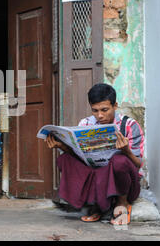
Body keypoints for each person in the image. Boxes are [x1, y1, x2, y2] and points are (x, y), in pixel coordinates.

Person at [45, 83, 144, 226]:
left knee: (119, 161)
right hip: (98, 176)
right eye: (95, 110)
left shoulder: (129, 125)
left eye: (105, 110)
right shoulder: (85, 124)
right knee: (65, 159)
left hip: (125, 183)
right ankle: (97, 204)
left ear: (115, 106)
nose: (100, 115)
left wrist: (126, 150)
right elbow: (79, 156)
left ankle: (122, 203)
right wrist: (61, 146)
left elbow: (138, 164)